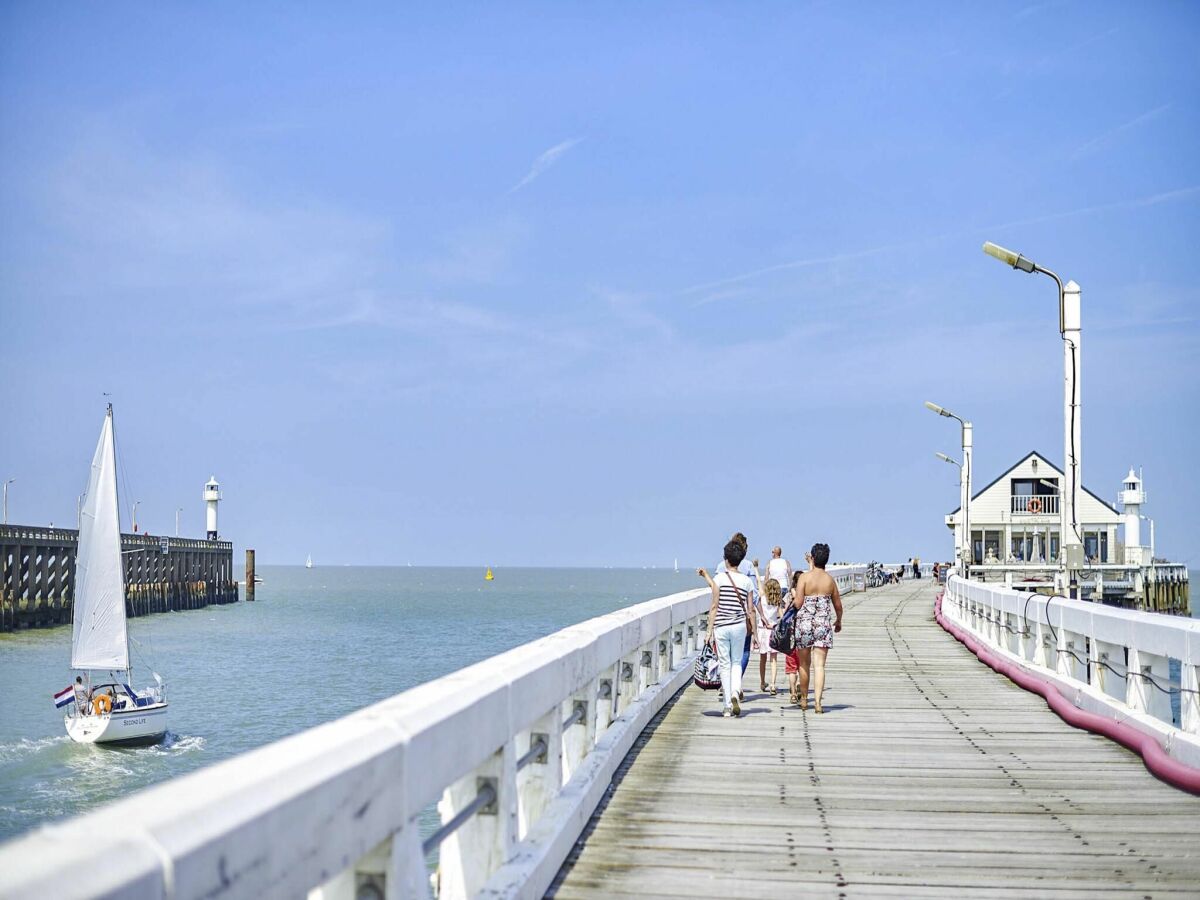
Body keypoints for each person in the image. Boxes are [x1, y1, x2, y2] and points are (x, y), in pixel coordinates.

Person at [699, 539, 755, 718]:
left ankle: (726, 707)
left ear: (725, 559)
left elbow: (714, 606)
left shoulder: (719, 579)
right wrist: (753, 630)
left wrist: (709, 631)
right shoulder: (746, 581)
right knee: (737, 662)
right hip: (739, 626)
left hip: (721, 626)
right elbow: (750, 609)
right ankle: (735, 693)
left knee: (725, 664)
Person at [791, 542, 843, 714]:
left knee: (804, 665)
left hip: (804, 624)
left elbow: (798, 602)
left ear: (812, 558)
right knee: (819, 666)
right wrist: (838, 621)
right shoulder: (830, 580)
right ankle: (819, 703)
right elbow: (838, 606)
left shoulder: (804, 578)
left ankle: (805, 700)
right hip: (822, 625)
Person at [716, 532, 760, 691]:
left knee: (725, 657)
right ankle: (735, 685)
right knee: (744, 652)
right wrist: (756, 629)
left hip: (722, 619)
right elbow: (753, 598)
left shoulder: (721, 566)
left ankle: (726, 685)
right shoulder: (747, 566)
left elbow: (715, 595)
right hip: (741, 620)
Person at [757, 578, 785, 695]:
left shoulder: (762, 599)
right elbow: (782, 618)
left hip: (762, 630)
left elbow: (759, 584)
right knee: (773, 659)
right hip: (772, 630)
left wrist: (756, 569)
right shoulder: (777, 602)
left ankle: (763, 682)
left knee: (762, 658)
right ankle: (773, 684)